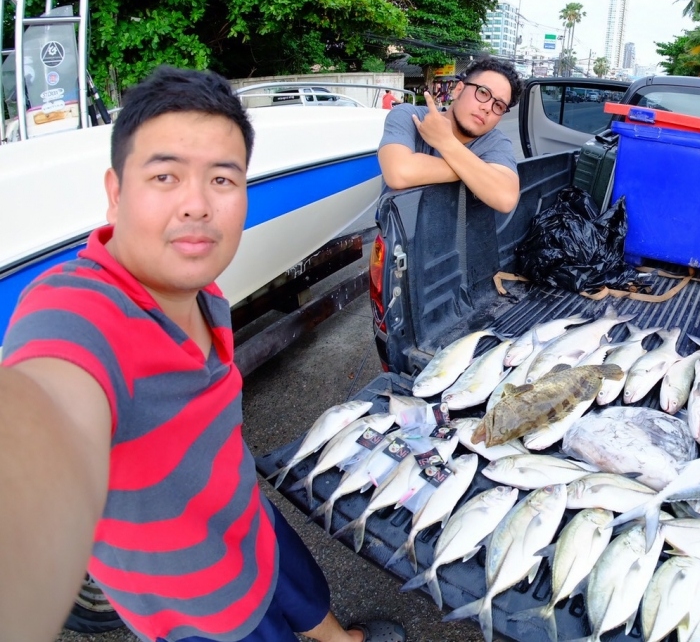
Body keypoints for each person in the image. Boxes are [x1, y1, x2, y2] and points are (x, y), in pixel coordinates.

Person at [0, 67, 404, 642]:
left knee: (308, 596)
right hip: (198, 607)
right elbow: (48, 412)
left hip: (249, 522)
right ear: (116, 194)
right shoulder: (74, 310)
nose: (196, 204)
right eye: (165, 175)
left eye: (222, 179)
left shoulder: (207, 294)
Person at [378, 58, 521, 212]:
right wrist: (477, 173)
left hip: (459, 235)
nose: (487, 108)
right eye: (483, 92)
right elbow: (399, 173)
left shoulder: (495, 142)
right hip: (397, 234)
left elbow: (506, 198)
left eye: (499, 106)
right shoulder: (409, 116)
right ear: (459, 90)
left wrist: (446, 142)